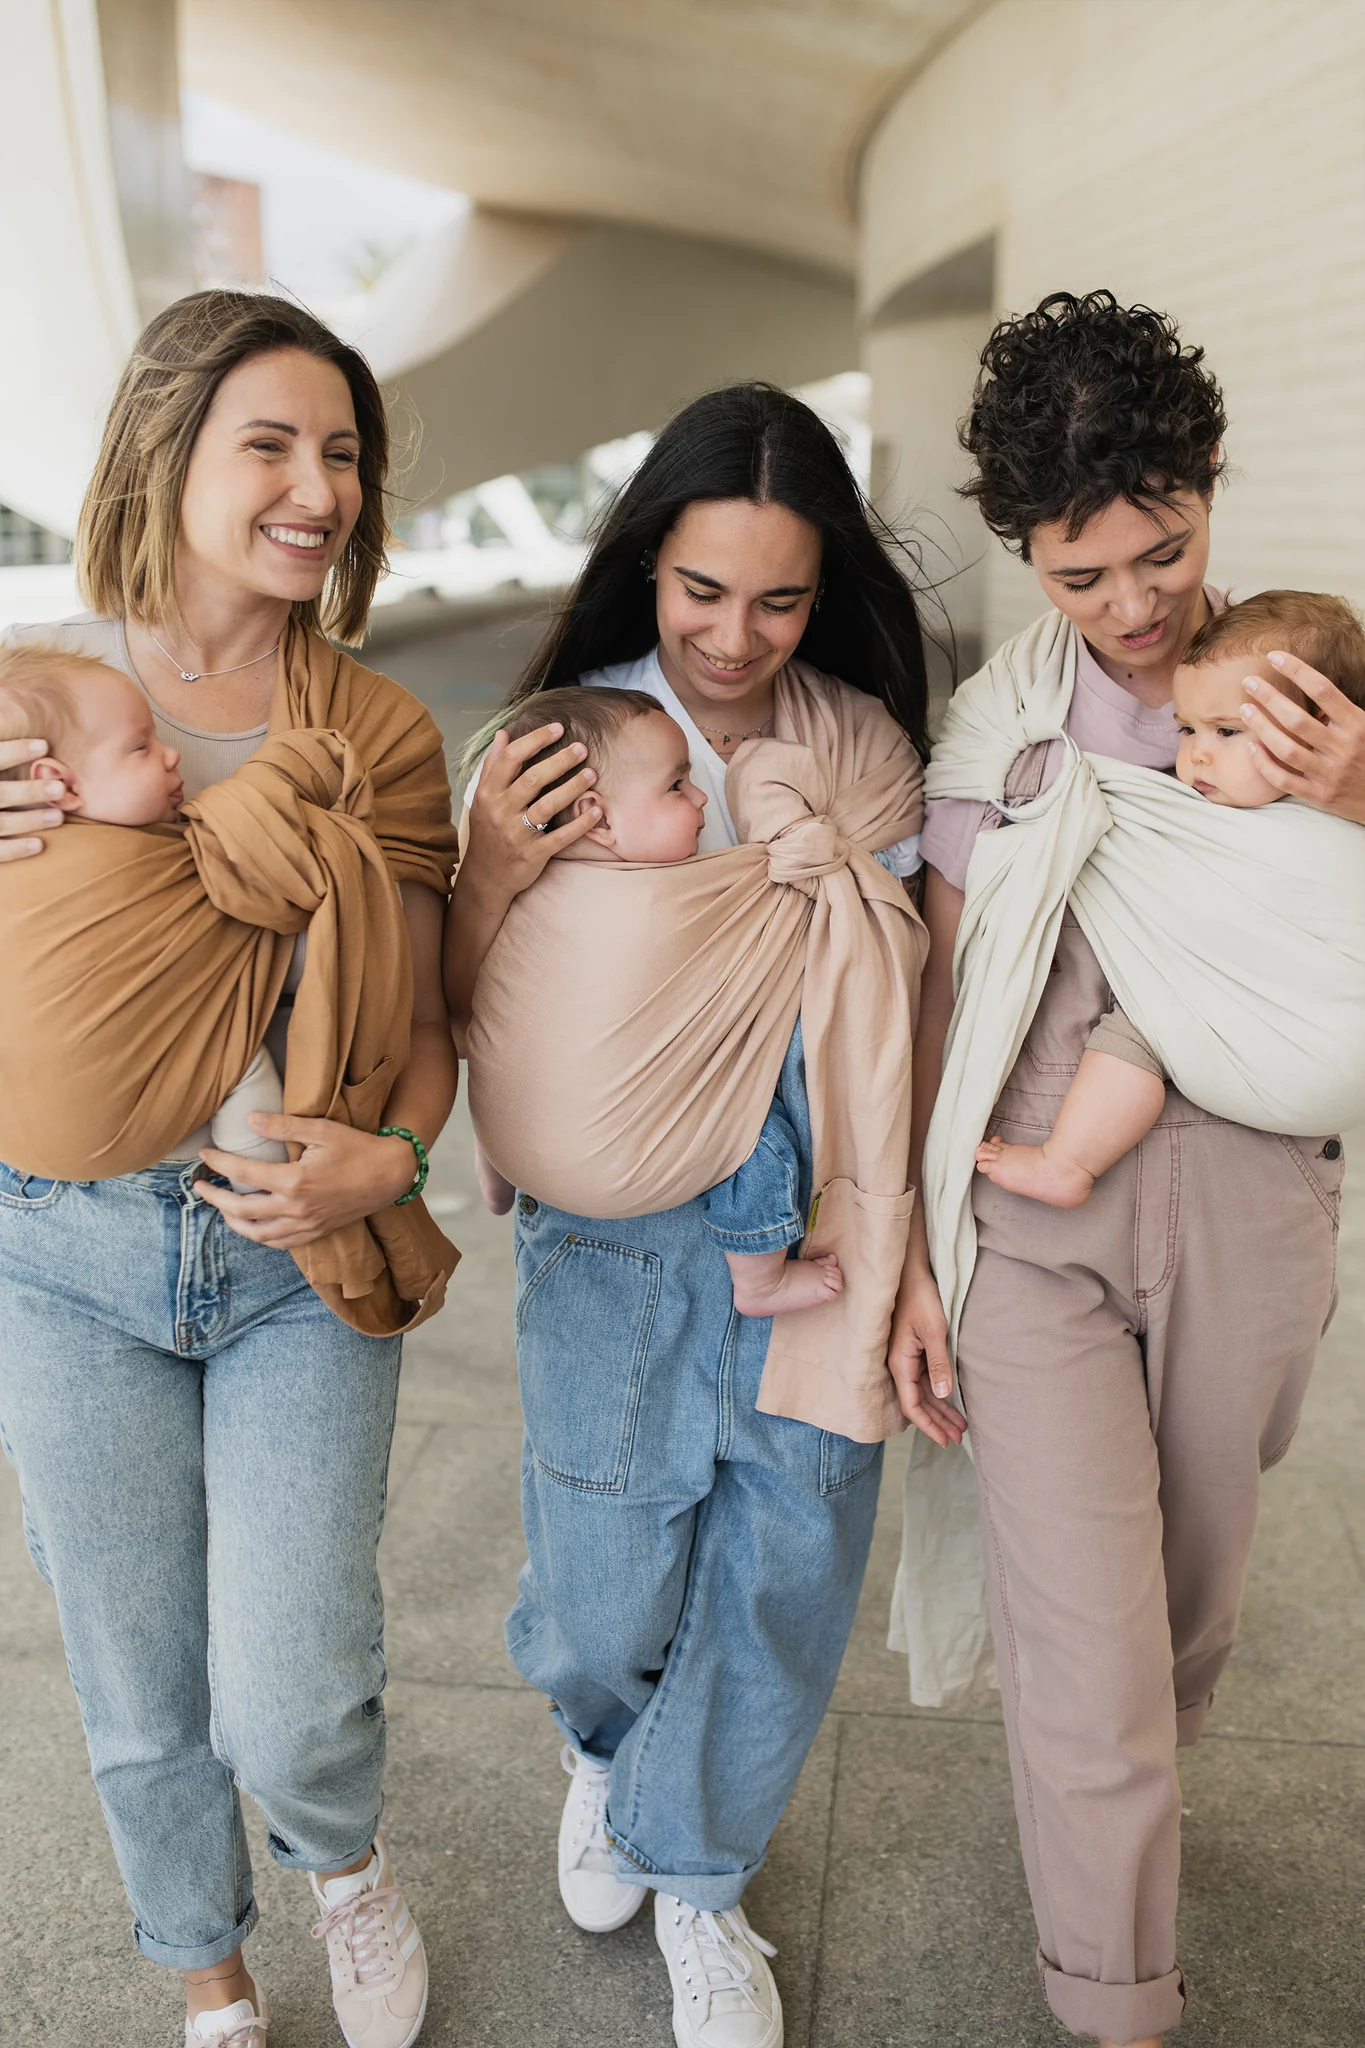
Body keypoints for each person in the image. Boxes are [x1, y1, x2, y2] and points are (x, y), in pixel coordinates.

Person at [889, 291, 1363, 2048]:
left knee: (1183, 1618)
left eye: (1163, 552)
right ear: (1029, 558)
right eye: (1083, 578)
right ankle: (1119, 2006)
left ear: (1211, 487)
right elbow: (937, 993)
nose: (1139, 605)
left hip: (1250, 1200)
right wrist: (914, 1253)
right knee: (1088, 1652)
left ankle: (1128, 1849)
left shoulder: (1317, 688)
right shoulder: (998, 738)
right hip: (1030, 1217)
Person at [445, 382, 929, 2048]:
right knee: (603, 1582)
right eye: (701, 589)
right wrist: (496, 876)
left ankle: (703, 1875)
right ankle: (608, 1747)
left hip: (824, 1207)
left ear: (826, 586)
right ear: (648, 563)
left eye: (780, 596)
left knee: (787, 1563)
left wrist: (909, 1242)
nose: (736, 634)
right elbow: (475, 1004)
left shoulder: (859, 748)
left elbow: (902, 1005)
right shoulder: (568, 741)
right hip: (613, 1233)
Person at [0, 290, 459, 2048]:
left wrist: (395, 1153)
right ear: (167, 448)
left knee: (297, 1683)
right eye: (268, 442)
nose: (315, 485)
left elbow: (425, 1014)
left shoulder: (378, 732)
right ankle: (206, 1966)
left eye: (340, 451)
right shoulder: (35, 687)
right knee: (131, 1681)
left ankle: (343, 1860)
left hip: (292, 1250)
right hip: (58, 1248)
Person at [975, 589, 1365, 1208]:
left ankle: (1066, 1161)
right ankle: (1067, 1161)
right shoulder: (1197, 819)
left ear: (1317, 732)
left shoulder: (1341, 820)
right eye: (1187, 728)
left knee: (1141, 1027)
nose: (1196, 752)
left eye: (1227, 730)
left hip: (1320, 1048)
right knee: (1147, 1017)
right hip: (1300, 1073)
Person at [473, 684, 845, 1317]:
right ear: (598, 815)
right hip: (618, 1166)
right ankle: (760, 1278)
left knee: (512, 1037)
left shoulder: (528, 891)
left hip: (516, 1143)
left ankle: (497, 1177)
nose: (701, 796)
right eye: (677, 786)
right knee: (759, 1121)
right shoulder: (676, 900)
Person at [0, 645, 287, 1188]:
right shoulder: (152, 861)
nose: (171, 755)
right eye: (140, 746)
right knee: (229, 1040)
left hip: (28, 1150)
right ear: (55, 780)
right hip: (39, 1191)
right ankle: (263, 1180)